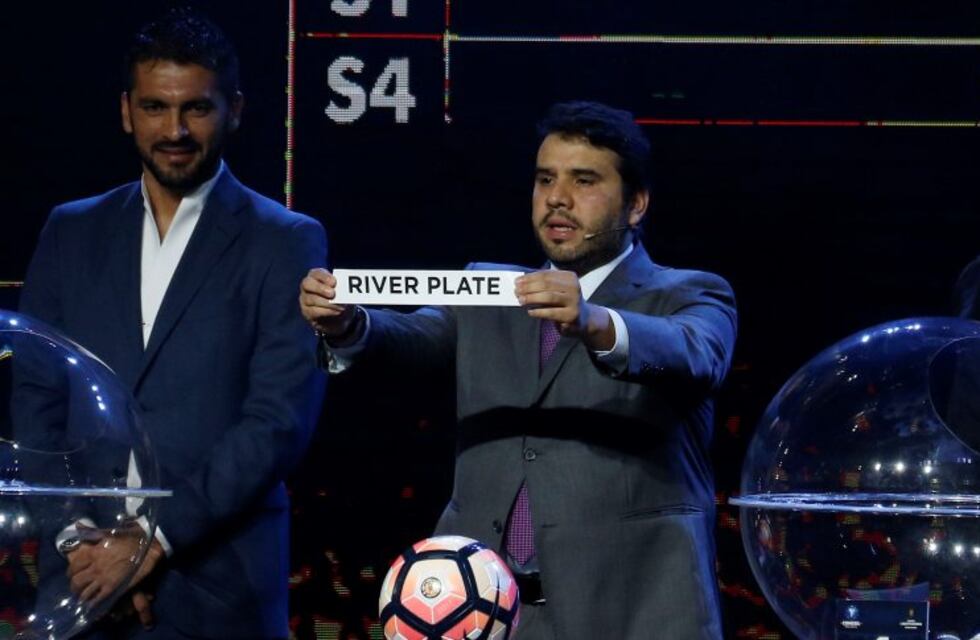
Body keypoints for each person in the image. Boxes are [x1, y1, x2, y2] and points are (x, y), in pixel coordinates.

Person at [300, 101, 737, 638]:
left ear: (636, 204)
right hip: (485, 616)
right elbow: (411, 336)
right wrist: (348, 324)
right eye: (545, 179)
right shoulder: (489, 290)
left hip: (634, 614)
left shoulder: (690, 293)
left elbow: (695, 352)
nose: (557, 198)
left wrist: (594, 321)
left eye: (584, 181)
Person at [20, 8, 326, 639]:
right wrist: (79, 544)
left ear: (234, 110)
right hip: (80, 586)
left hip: (218, 589)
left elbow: (277, 421)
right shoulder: (70, 230)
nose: (175, 130)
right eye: (155, 107)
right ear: (126, 111)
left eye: (197, 108)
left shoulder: (285, 240)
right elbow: (35, 400)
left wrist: (149, 543)